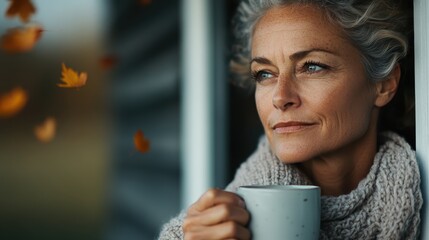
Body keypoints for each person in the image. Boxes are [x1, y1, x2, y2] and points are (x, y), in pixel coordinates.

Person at [158, 0, 423, 239]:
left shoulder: (422, 203)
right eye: (264, 74)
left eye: (312, 66)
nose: (280, 96)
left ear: (384, 84)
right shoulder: (209, 231)